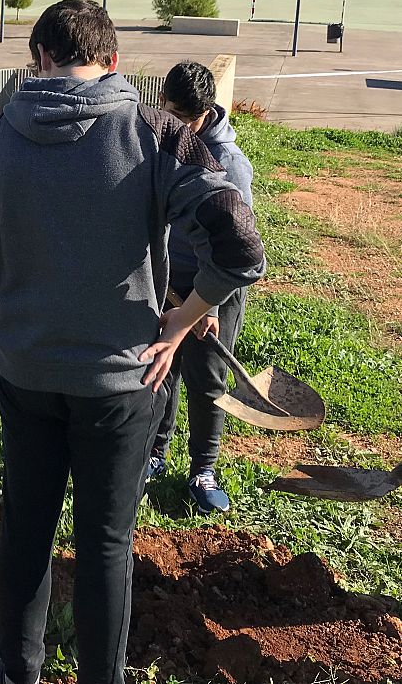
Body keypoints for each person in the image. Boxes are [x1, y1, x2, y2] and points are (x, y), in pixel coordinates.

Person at [0, 0, 265, 684]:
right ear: (113, 62)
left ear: (40, 58)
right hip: (122, 383)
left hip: (26, 374)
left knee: (26, 527)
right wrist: (184, 319)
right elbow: (241, 244)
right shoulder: (157, 133)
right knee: (105, 544)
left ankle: (18, 669)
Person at [147, 60, 255, 514]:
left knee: (207, 377)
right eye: (171, 114)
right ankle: (155, 452)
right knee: (163, 369)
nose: (177, 126)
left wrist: (207, 306)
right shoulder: (161, 139)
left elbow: (234, 249)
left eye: (186, 120)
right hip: (171, 278)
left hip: (215, 287)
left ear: (205, 114)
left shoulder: (229, 163)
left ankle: (203, 469)